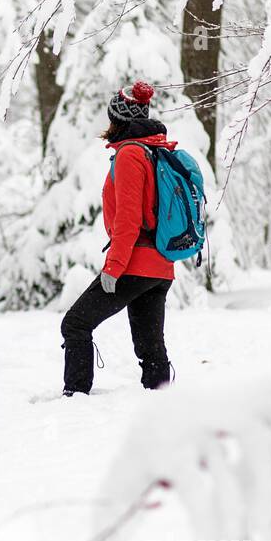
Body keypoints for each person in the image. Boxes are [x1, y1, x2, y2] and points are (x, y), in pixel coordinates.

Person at [60, 80, 175, 396]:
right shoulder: (157, 150)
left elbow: (128, 219)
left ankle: (75, 395)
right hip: (162, 266)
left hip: (134, 263)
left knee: (75, 324)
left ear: (119, 120)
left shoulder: (130, 155)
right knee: (150, 345)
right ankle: (163, 401)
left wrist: (114, 267)